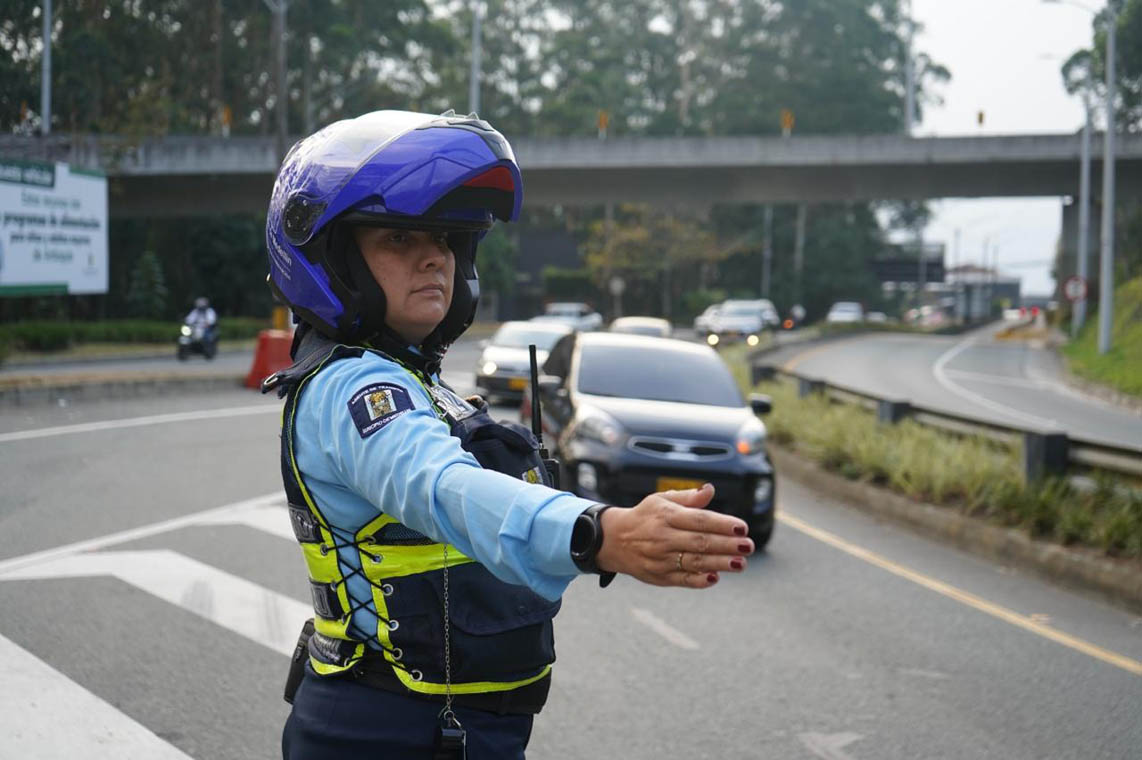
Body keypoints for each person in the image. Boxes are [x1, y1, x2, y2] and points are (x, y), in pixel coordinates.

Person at [263, 110, 754, 760]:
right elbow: (442, 487)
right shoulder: (353, 387)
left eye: (444, 238)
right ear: (332, 256)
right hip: (385, 728)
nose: (434, 256)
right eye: (398, 238)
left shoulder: (420, 382)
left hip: (447, 726)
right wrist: (598, 533)